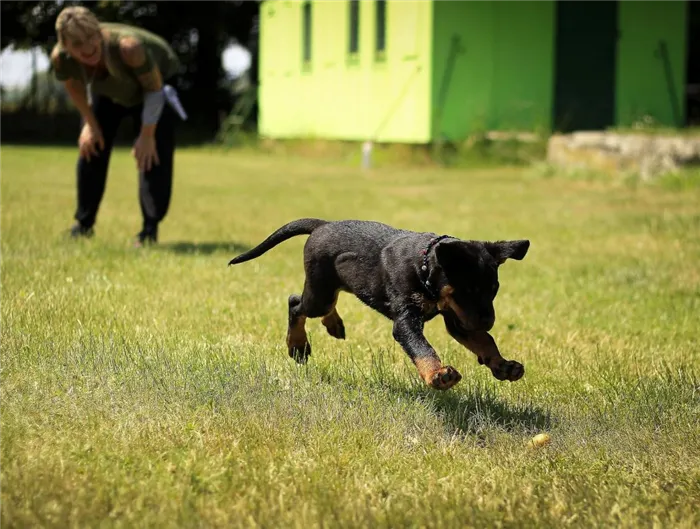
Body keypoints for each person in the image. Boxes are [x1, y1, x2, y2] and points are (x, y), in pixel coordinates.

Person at [51, 6, 185, 246]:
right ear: (65, 45)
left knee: (151, 155)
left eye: (92, 37)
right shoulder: (61, 58)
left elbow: (154, 90)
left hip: (154, 86)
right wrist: (90, 124)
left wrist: (146, 135)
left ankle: (149, 230)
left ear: (99, 31)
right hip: (108, 90)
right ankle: (83, 224)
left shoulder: (128, 48)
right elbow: (74, 87)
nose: (88, 47)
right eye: (78, 44)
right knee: (91, 147)